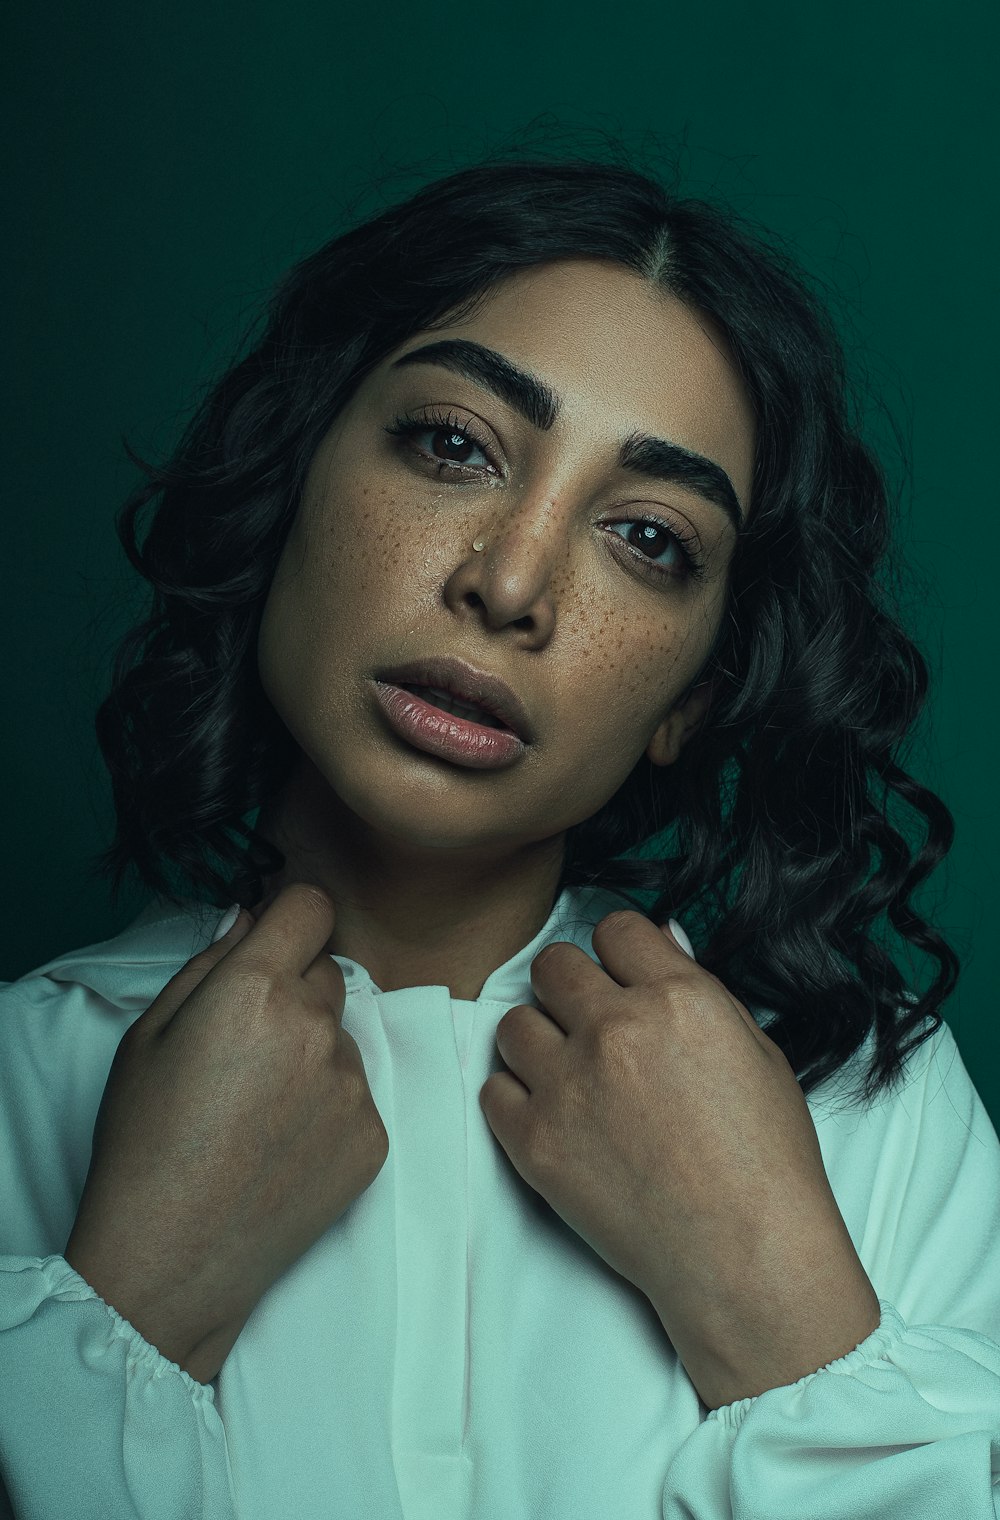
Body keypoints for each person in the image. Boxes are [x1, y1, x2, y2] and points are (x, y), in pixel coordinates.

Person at [1, 153, 998, 1519]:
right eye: (454, 446)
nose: (513, 582)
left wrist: (780, 1317)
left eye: (647, 537)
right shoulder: (21, 1082)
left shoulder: (866, 1104)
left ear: (689, 700)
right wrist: (121, 1310)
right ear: (291, 479)